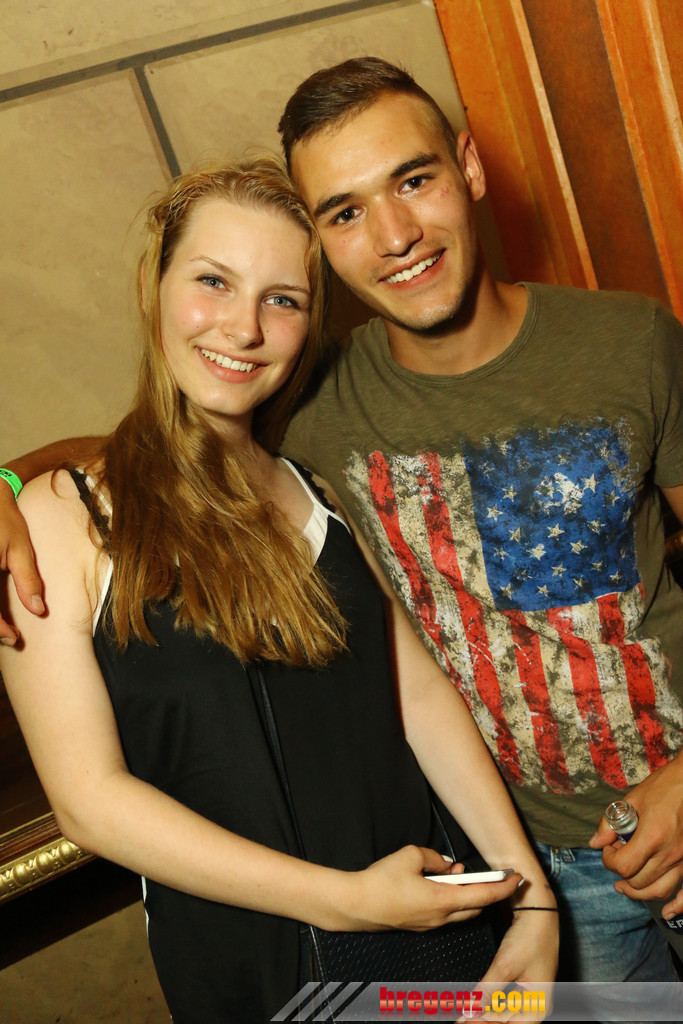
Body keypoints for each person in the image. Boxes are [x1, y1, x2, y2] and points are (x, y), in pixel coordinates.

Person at [0, 156, 557, 1023]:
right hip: (259, 971)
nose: (244, 327)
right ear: (154, 288)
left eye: (283, 300)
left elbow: (416, 697)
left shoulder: (315, 493)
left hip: (441, 934)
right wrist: (344, 901)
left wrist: (532, 898)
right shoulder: (60, 519)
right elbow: (90, 803)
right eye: (212, 281)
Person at [272, 58, 683, 983]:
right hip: (526, 869)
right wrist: (10, 483)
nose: (395, 236)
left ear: (468, 167)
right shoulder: (308, 405)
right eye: (345, 213)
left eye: (413, 180)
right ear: (317, 241)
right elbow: (141, 450)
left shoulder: (629, 340)